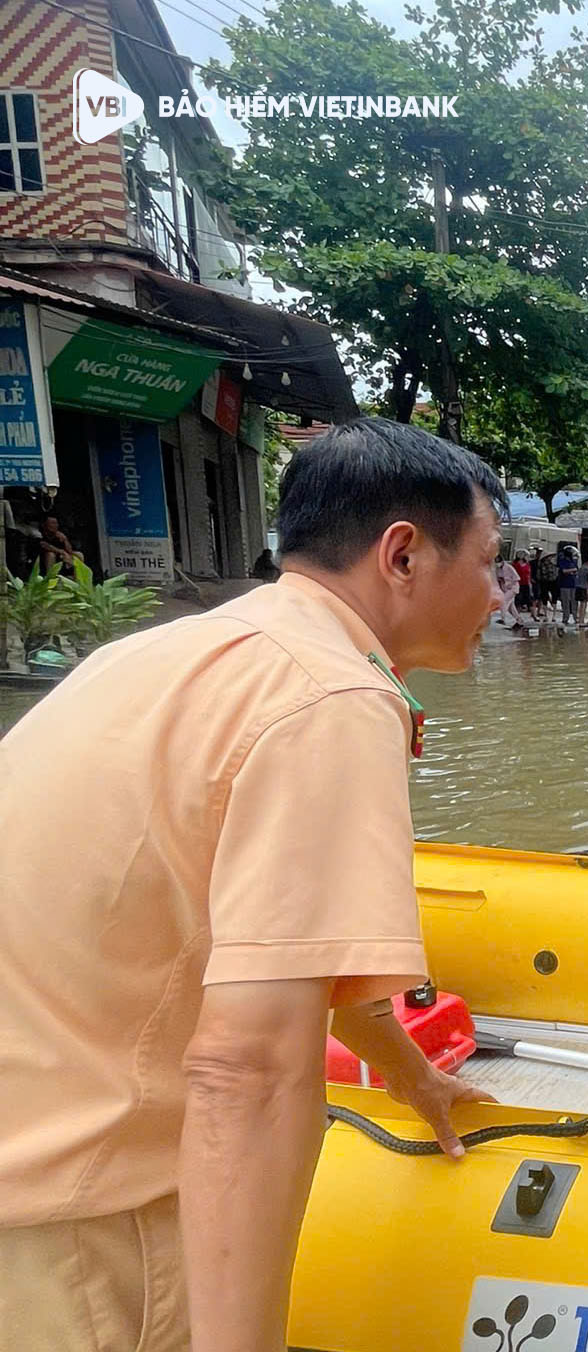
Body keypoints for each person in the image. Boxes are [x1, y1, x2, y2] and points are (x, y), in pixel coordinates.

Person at [0, 418, 501, 1352]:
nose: (501, 594)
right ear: (403, 555)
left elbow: (292, 954)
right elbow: (250, 1069)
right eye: (490, 560)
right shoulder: (333, 699)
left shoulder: (174, 652)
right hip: (81, 1223)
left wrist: (411, 1075)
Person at [496, 554, 524, 630]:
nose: (497, 564)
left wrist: (510, 584)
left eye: (498, 562)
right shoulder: (498, 570)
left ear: (502, 561)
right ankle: (519, 621)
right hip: (505, 589)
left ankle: (502, 618)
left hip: (513, 588)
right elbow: (499, 579)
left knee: (504, 601)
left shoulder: (509, 567)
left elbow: (517, 578)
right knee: (511, 608)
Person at [556, 544, 580, 626]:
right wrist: (573, 570)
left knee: (574, 602)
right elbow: (564, 571)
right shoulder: (562, 561)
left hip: (573, 584)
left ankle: (575, 617)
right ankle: (565, 618)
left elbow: (576, 570)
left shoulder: (573, 561)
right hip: (565, 584)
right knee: (565, 602)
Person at [513, 550, 534, 618]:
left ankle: (534, 615)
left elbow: (529, 575)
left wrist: (530, 583)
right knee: (518, 600)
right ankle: (517, 615)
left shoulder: (527, 564)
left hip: (526, 584)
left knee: (529, 600)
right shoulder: (515, 565)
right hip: (518, 584)